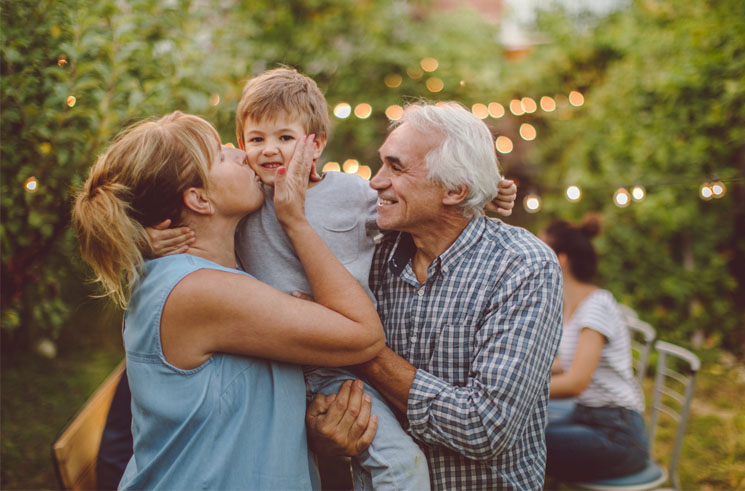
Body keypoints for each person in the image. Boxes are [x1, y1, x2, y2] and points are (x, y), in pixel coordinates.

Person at [144, 68, 517, 490]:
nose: (269, 151)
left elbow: (420, 206)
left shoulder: (350, 195)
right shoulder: (246, 200)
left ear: (315, 143)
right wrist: (147, 238)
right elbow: (181, 221)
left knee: (401, 463)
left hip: (339, 367)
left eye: (285, 138)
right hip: (276, 360)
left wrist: (486, 192)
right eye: (255, 140)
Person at [73, 111, 385, 489]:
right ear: (200, 199)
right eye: (220, 155)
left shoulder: (190, 275)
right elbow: (364, 334)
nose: (240, 153)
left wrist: (315, 431)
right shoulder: (199, 291)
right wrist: (294, 220)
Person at [306, 102, 563, 490]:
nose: (375, 182)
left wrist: (352, 341)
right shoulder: (368, 256)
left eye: (396, 167)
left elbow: (484, 427)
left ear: (456, 189)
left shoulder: (522, 266)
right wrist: (322, 429)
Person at [540, 215, 649, 482]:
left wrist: (514, 390)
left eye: (539, 249)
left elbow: (576, 382)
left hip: (617, 434)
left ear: (560, 260)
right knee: (525, 431)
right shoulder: (574, 306)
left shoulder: (596, 306)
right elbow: (566, 363)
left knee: (520, 442)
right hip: (590, 418)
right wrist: (522, 369)